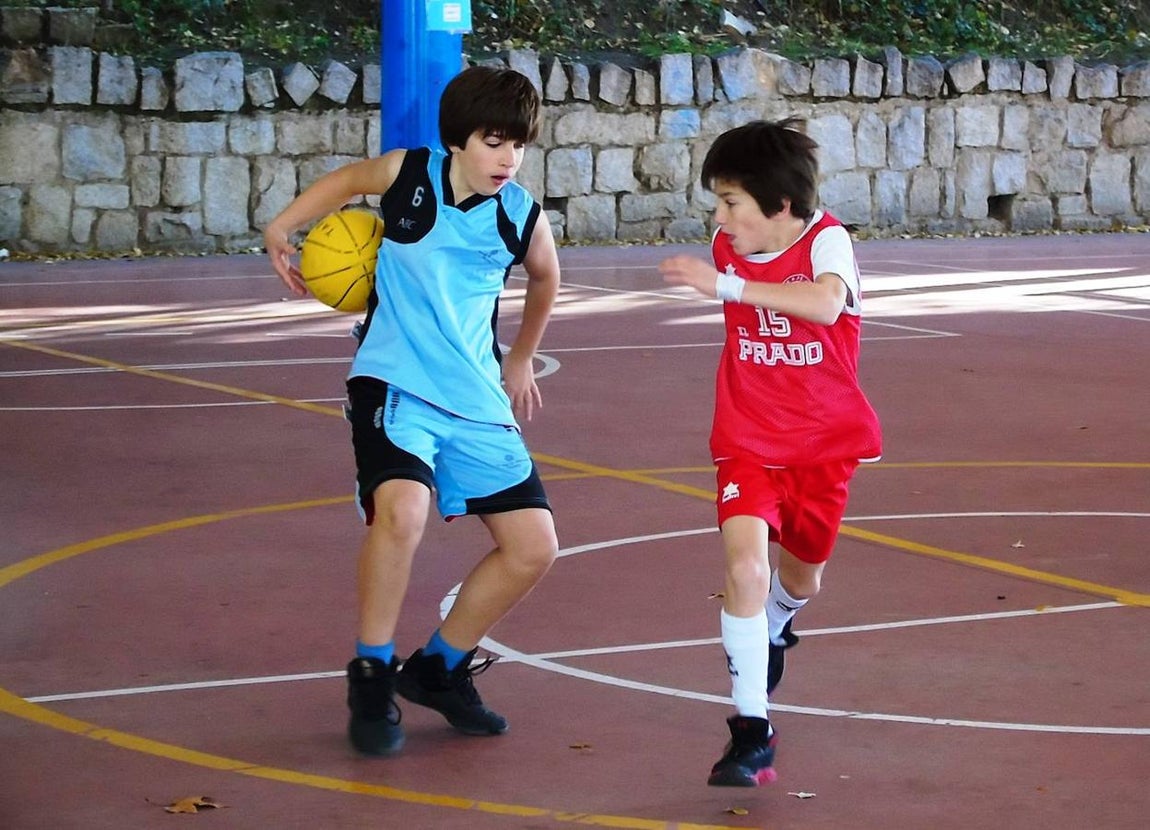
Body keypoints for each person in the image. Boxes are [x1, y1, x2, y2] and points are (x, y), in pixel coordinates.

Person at [263, 66, 561, 756]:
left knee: (533, 546)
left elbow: (546, 278)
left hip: (473, 394)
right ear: (458, 140)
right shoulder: (409, 174)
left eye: (518, 144)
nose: (508, 158)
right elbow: (346, 182)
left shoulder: (520, 215)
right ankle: (371, 671)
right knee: (402, 510)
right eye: (494, 142)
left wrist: (520, 356)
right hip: (392, 382)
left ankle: (438, 669)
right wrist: (283, 225)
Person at [658, 119, 882, 787]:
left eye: (731, 203)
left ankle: (781, 620)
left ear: (780, 206)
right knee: (745, 570)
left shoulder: (828, 242)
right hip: (747, 440)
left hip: (822, 446)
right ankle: (751, 731)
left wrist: (724, 288)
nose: (720, 218)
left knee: (801, 578)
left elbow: (823, 303)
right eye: (719, 204)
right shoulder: (727, 247)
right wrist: (724, 274)